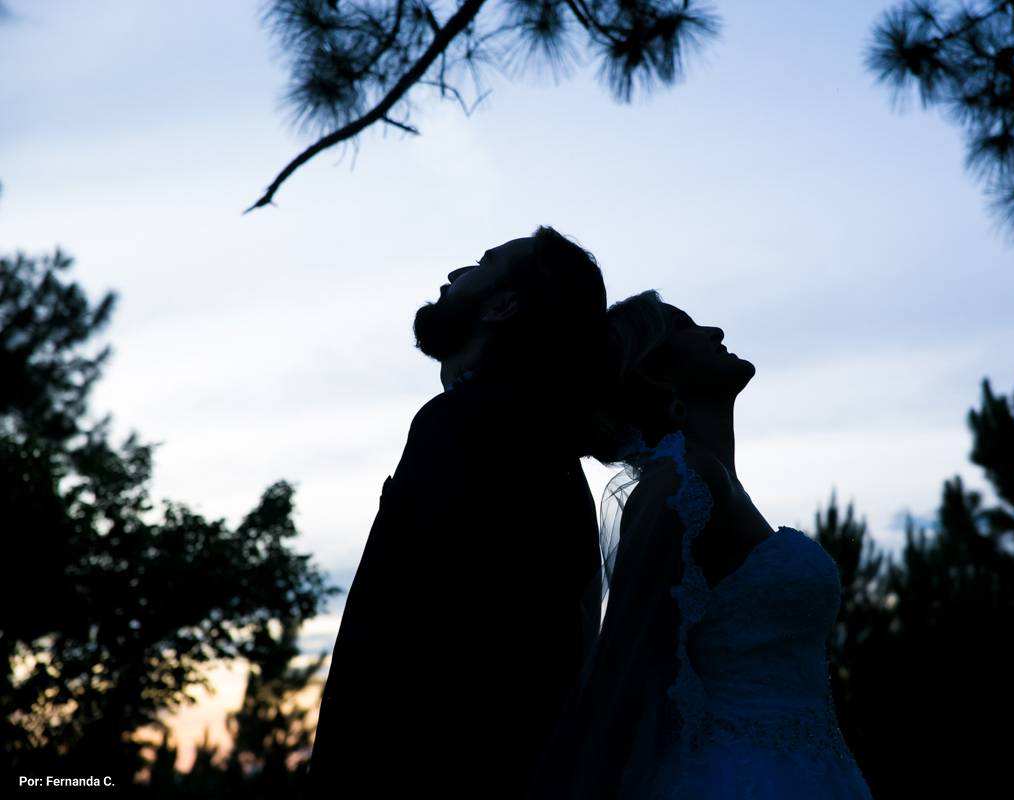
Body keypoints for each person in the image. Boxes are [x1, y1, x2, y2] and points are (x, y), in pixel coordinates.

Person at [530, 291, 873, 799]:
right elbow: (623, 664)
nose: (713, 332)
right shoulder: (681, 484)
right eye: (685, 326)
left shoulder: (710, 480)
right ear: (655, 374)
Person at [307, 228, 610, 797]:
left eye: (481, 263)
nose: (453, 276)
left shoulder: (466, 424)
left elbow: (422, 625)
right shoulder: (540, 442)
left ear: (503, 304)